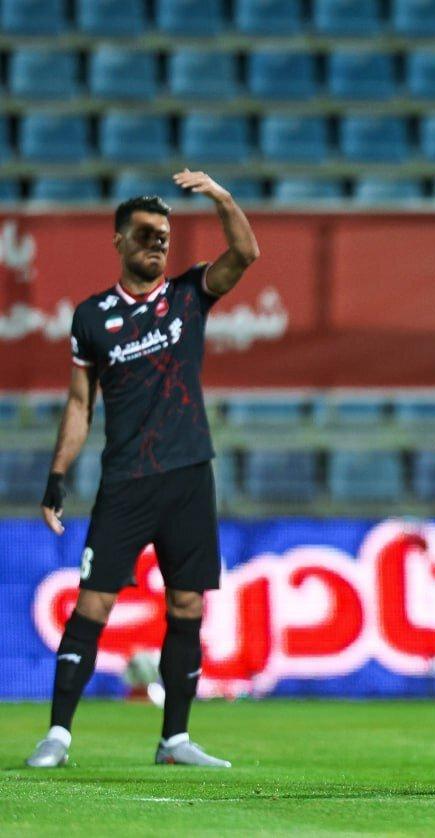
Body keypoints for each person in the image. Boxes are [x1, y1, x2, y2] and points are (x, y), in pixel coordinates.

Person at [27, 171, 260, 769]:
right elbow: (80, 404)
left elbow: (246, 254)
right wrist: (57, 476)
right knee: (92, 606)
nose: (158, 243)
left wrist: (220, 198)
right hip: (126, 480)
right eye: (147, 234)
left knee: (188, 607)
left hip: (188, 476)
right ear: (119, 240)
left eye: (165, 235)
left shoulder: (188, 295)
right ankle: (58, 734)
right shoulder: (90, 317)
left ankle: (174, 739)